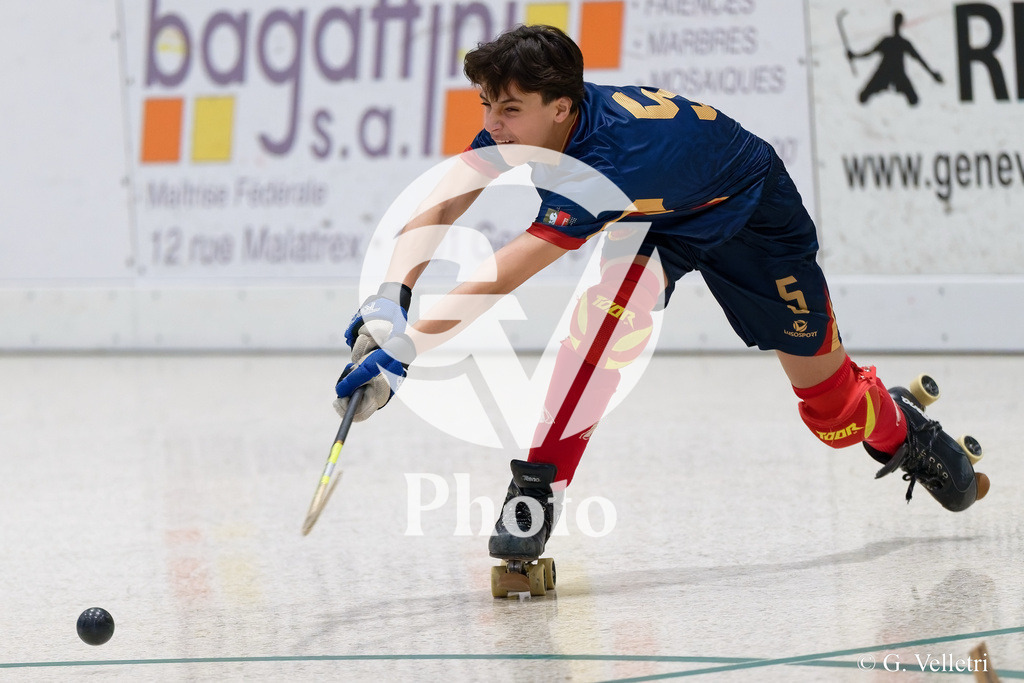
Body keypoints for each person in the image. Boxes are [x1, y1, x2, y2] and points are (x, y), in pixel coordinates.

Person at [333, 25, 988, 584]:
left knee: (832, 413)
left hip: (753, 212)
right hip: (657, 222)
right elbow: (449, 193)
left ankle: (901, 427)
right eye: (486, 105)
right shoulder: (541, 122)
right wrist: (394, 297)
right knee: (598, 330)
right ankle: (534, 489)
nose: (491, 126)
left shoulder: (610, 163)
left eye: (507, 110)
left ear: (561, 107)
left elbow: (506, 272)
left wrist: (407, 345)